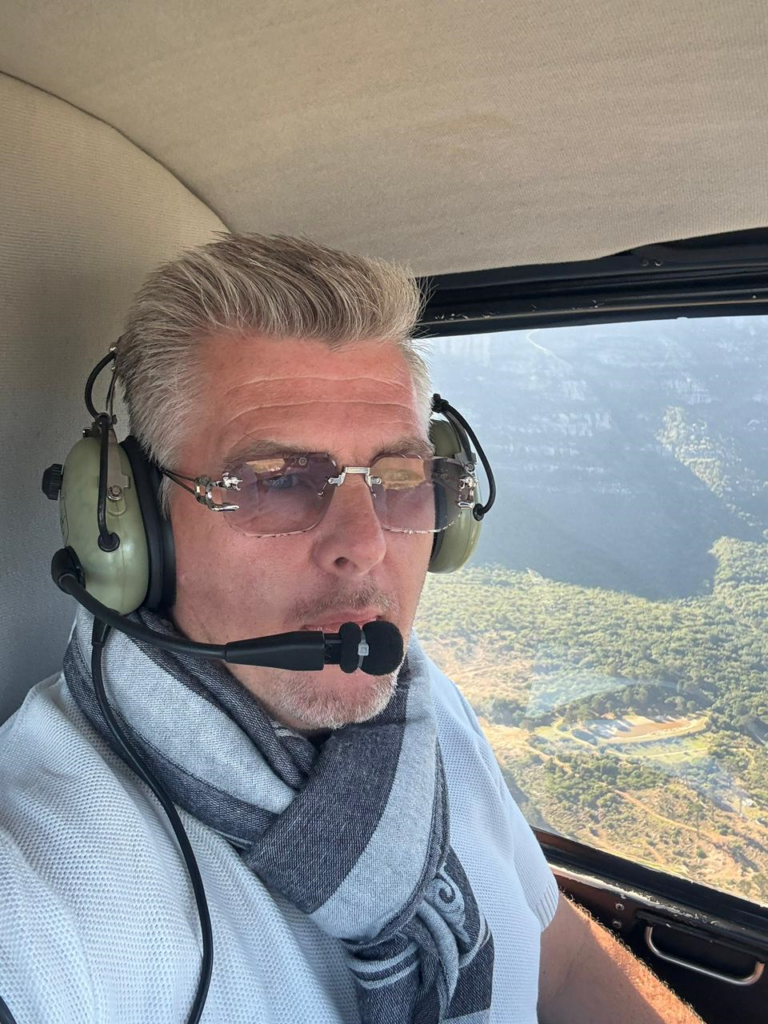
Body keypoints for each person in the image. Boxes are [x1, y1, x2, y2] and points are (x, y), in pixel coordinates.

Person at [0, 234, 701, 1023]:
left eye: (400, 480)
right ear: (129, 530)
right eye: (277, 481)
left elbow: (561, 963)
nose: (365, 544)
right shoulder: (41, 874)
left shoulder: (427, 713)